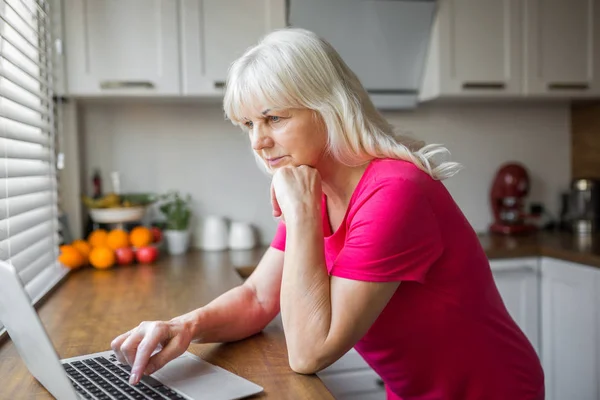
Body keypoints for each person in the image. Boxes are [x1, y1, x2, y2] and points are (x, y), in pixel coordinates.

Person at [111, 28, 544, 399]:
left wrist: (299, 216)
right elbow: (259, 298)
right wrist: (183, 327)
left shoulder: (394, 192)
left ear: (328, 107)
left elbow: (308, 352)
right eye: (248, 125)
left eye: (274, 118)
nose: (258, 142)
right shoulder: (315, 181)